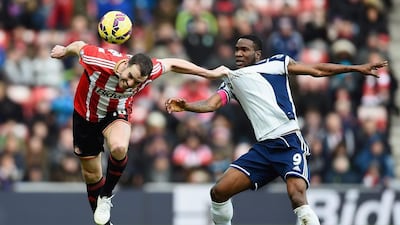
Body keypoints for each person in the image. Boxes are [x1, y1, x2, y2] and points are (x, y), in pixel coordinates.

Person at [165, 35, 388, 225]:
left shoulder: (276, 64)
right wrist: (187, 106)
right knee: (218, 192)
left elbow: (316, 70)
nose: (239, 54)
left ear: (258, 54)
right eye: (236, 50)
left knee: (297, 197)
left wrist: (355, 68)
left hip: (288, 142)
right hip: (263, 149)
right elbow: (211, 104)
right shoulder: (232, 79)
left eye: (245, 50)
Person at [50, 40, 218, 225]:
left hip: (116, 113)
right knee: (91, 175)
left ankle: (106, 197)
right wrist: (65, 50)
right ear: (126, 64)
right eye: (130, 76)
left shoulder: (149, 71)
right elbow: (79, 46)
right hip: (86, 116)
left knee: (120, 147)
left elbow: (173, 63)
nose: (129, 84)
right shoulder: (98, 59)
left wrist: (209, 74)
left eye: (136, 82)